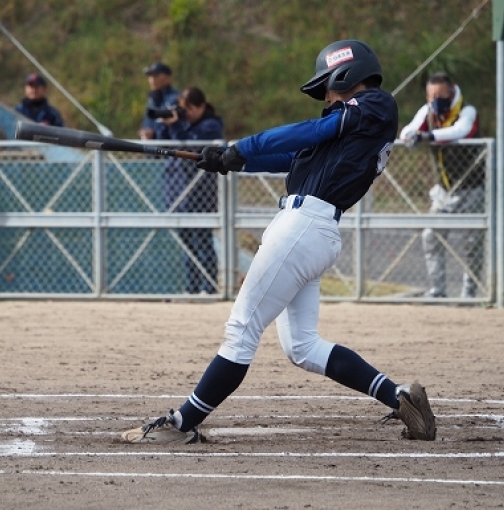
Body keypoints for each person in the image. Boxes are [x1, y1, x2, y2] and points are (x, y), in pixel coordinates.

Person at [121, 40, 437, 444]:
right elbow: (292, 157)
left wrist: (242, 146)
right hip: (309, 230)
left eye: (329, 87)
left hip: (304, 226)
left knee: (241, 329)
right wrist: (227, 160)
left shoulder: (375, 104)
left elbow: (308, 131)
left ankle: (183, 423)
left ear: (348, 74)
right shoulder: (351, 128)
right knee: (302, 346)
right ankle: (401, 398)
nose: (326, 97)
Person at [399, 72, 484, 299]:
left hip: (472, 189)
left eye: (440, 95)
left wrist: (427, 136)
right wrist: (413, 136)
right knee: (431, 235)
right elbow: (407, 131)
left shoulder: (467, 111)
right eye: (432, 96)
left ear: (452, 91)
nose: (436, 100)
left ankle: (469, 292)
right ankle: (438, 290)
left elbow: (461, 131)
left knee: (472, 242)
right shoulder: (428, 111)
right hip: (443, 192)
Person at [154, 87, 223, 295]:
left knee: (202, 241)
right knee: (186, 245)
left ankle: (209, 287)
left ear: (201, 106)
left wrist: (176, 126)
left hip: (201, 193)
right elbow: (164, 147)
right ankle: (191, 288)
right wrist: (164, 125)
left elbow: (191, 149)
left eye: (189, 109)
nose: (187, 114)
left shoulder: (211, 126)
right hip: (178, 193)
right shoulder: (182, 125)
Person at [138, 62, 179, 140]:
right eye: (150, 76)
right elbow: (147, 125)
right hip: (151, 146)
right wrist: (145, 132)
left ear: (168, 78)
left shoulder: (176, 99)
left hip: (169, 146)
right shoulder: (151, 100)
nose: (152, 79)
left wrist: (154, 135)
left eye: (156, 76)